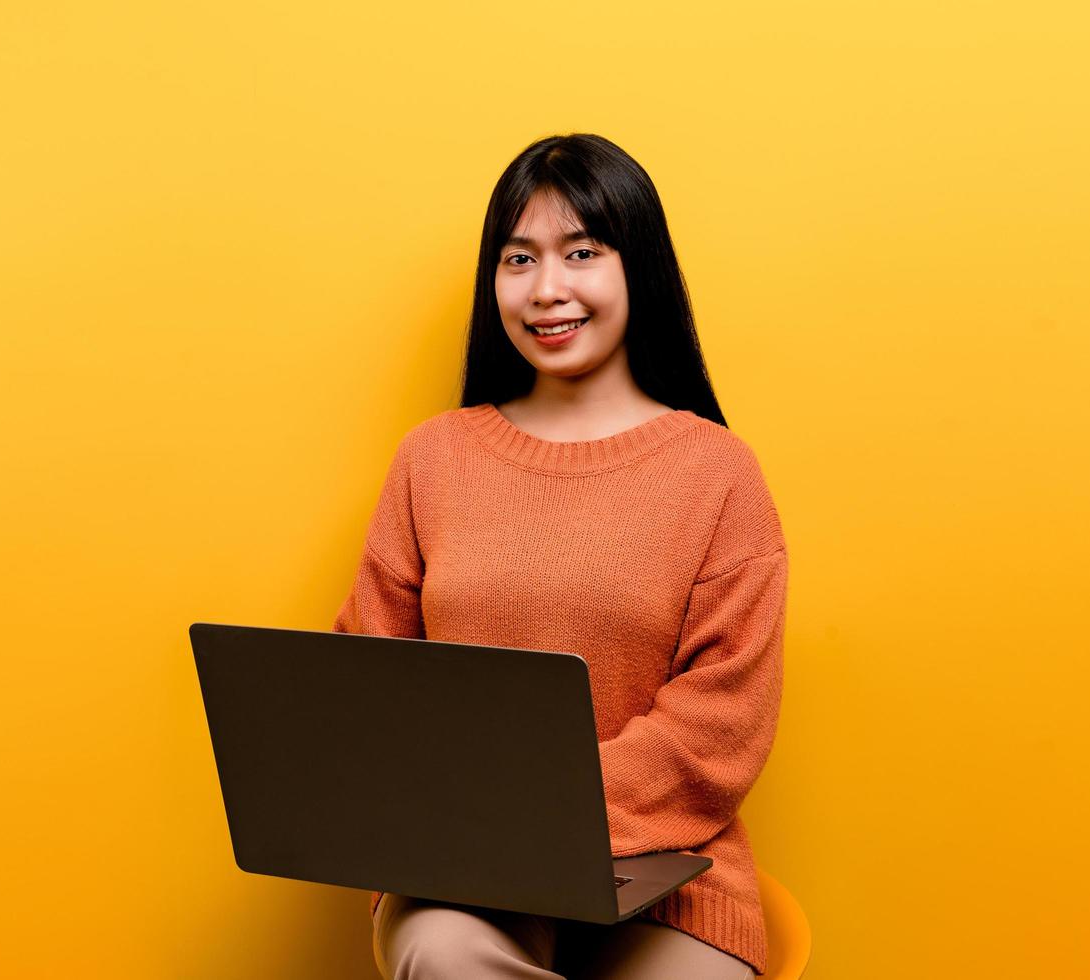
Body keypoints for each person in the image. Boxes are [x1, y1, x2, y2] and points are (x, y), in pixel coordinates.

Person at [332, 133, 788, 979]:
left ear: (637, 269)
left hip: (669, 875)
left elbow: (721, 725)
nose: (547, 290)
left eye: (581, 253)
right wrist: (465, 828)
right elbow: (370, 678)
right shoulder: (429, 460)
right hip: (460, 871)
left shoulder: (718, 472)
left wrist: (534, 812)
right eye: (518, 259)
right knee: (441, 954)